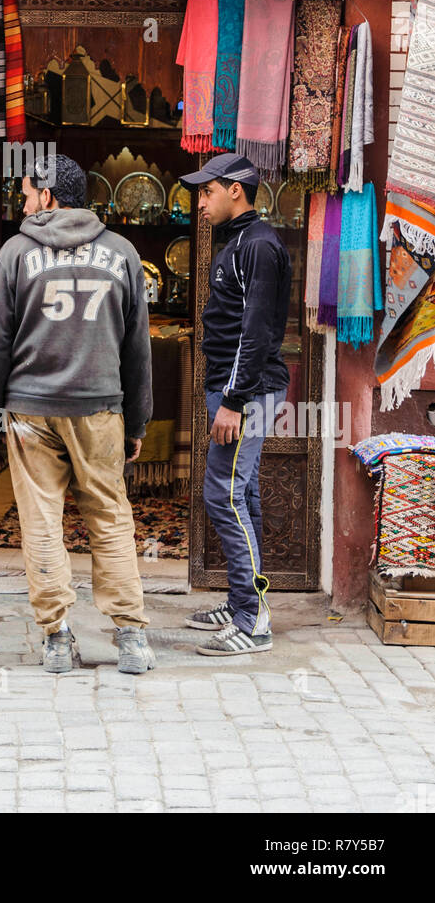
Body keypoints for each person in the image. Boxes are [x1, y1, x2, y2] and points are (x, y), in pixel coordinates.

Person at [0, 153, 155, 675]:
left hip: (30, 413)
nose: (24, 205)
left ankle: (56, 638)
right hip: (99, 409)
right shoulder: (122, 253)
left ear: (48, 196)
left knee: (42, 520)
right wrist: (137, 422)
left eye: (27, 195)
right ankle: (132, 638)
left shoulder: (14, 254)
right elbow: (136, 349)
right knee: (111, 517)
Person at [179, 152, 290, 657]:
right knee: (239, 495)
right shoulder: (241, 242)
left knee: (221, 494)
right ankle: (244, 601)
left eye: (207, 192)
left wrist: (233, 401)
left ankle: (252, 619)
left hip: (245, 392)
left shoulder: (260, 246)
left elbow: (258, 332)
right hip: (235, 390)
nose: (200, 202)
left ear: (235, 191)